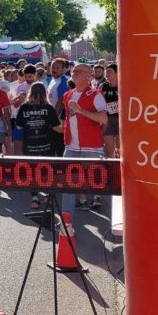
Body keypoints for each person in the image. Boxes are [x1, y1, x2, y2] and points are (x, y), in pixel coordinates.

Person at [62, 63, 109, 212]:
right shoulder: (67, 95)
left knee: (94, 179)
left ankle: (96, 198)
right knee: (69, 181)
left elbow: (104, 119)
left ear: (89, 77)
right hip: (71, 145)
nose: (75, 73)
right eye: (74, 71)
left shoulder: (96, 95)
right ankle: (67, 219)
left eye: (79, 71)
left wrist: (80, 110)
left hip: (92, 146)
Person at [15, 82, 64, 209]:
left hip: (30, 144)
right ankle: (48, 195)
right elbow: (56, 127)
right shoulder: (48, 108)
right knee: (46, 170)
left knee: (32, 171)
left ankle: (35, 198)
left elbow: (19, 127)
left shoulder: (24, 107)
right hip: (47, 144)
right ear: (45, 93)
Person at [101, 63, 120, 158]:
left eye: (110, 72)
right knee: (109, 148)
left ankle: (122, 167)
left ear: (117, 73)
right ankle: (111, 169)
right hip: (107, 120)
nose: (107, 74)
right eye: (106, 72)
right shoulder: (102, 86)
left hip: (120, 120)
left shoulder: (123, 85)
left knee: (121, 148)